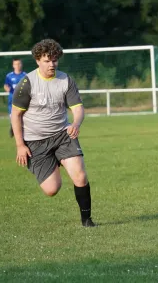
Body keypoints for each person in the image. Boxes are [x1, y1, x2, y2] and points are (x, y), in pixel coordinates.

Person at [10, 39, 95, 227]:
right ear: (38, 60)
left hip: (62, 135)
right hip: (35, 141)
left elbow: (78, 108)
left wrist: (76, 123)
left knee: (80, 176)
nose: (52, 64)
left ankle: (87, 220)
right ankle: (56, 160)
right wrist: (20, 145)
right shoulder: (27, 83)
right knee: (51, 189)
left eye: (55, 60)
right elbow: (15, 115)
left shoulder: (66, 80)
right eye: (47, 60)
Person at [4, 58, 26, 138]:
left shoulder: (25, 75)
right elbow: (6, 86)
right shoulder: (9, 76)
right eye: (16, 64)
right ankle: (13, 126)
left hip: (22, 98)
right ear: (13, 65)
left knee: (22, 115)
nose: (17, 66)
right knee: (12, 114)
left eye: (19, 64)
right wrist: (9, 90)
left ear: (21, 64)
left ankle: (19, 129)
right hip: (12, 98)